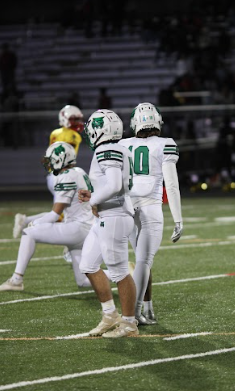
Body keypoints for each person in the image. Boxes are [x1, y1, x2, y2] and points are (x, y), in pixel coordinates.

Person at [0, 142, 95, 292]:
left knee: (29, 233)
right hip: (86, 227)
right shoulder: (79, 171)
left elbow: (54, 214)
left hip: (77, 228)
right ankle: (124, 273)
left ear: (61, 159)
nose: (49, 163)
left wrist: (32, 223)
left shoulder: (67, 176)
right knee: (83, 281)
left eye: (52, 159)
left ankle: (16, 280)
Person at [119, 102, 183, 325]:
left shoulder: (123, 144)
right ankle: (133, 315)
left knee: (140, 261)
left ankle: (146, 309)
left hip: (126, 207)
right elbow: (172, 185)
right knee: (144, 262)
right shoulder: (166, 144)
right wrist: (178, 219)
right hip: (150, 207)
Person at [78, 109, 138, 338]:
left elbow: (113, 185)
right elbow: (111, 184)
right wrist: (93, 195)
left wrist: (93, 199)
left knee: (120, 272)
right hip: (108, 215)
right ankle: (110, 314)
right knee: (88, 265)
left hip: (114, 216)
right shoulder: (119, 147)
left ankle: (130, 324)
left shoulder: (107, 148)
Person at [13, 105, 84, 239]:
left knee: (61, 213)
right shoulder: (73, 135)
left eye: (78, 119)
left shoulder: (55, 133)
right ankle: (31, 228)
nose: (77, 123)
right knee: (62, 214)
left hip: (52, 174)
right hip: (62, 175)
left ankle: (26, 221)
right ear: (65, 119)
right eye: (74, 119)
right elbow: (66, 156)